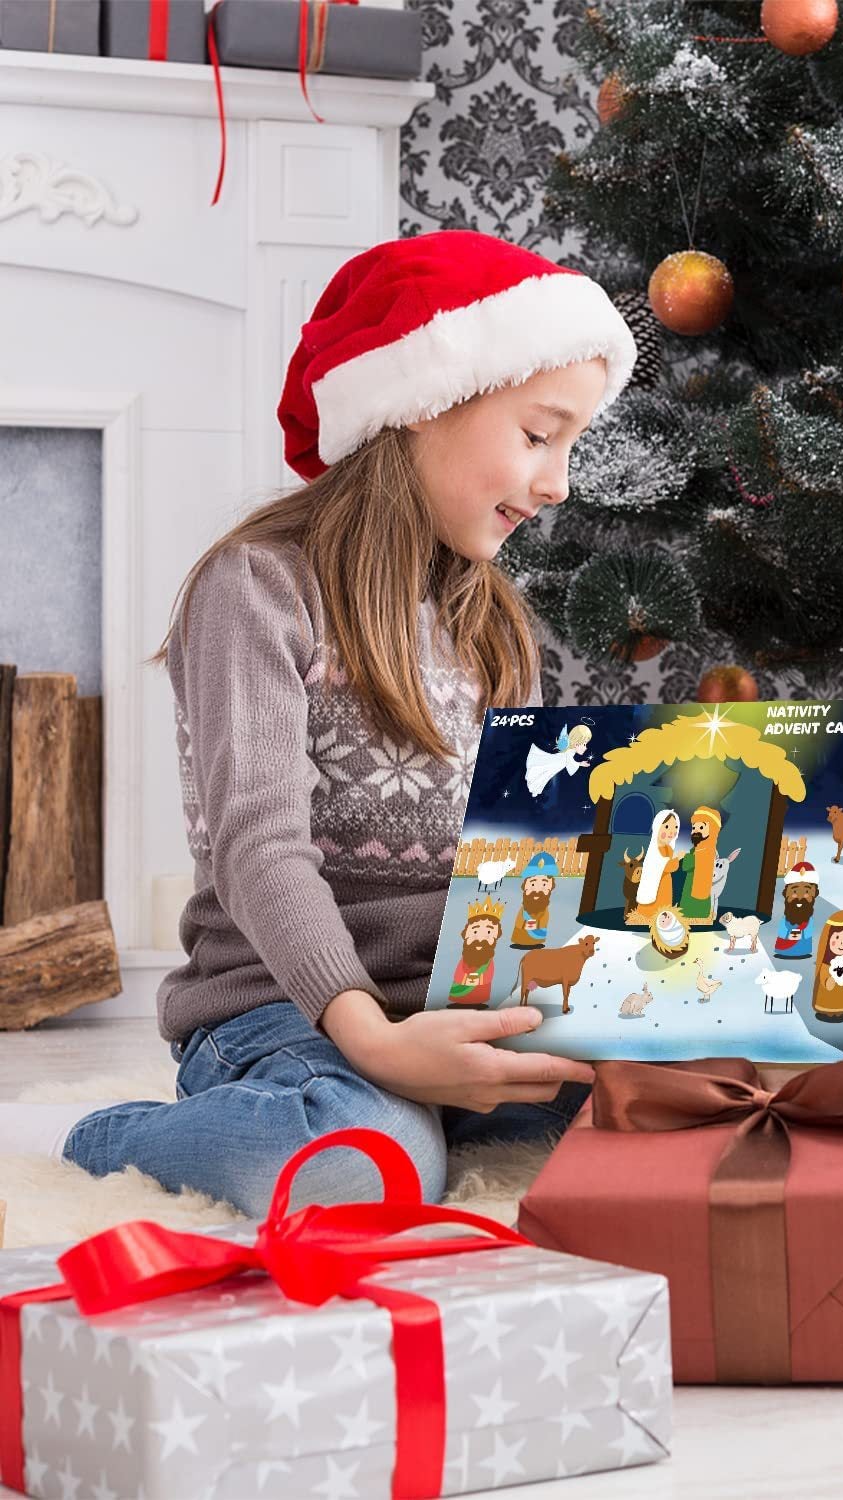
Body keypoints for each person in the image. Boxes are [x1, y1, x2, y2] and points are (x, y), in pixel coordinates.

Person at [0, 232, 636, 1214]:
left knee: (669, 1118)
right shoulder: (256, 587)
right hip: (282, 1012)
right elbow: (260, 846)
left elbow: (522, 866)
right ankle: (93, 1136)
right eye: (539, 434)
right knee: (357, 1168)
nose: (558, 483)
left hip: (449, 1016)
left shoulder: (495, 624)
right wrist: (374, 1041)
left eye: (572, 447)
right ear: (422, 402)